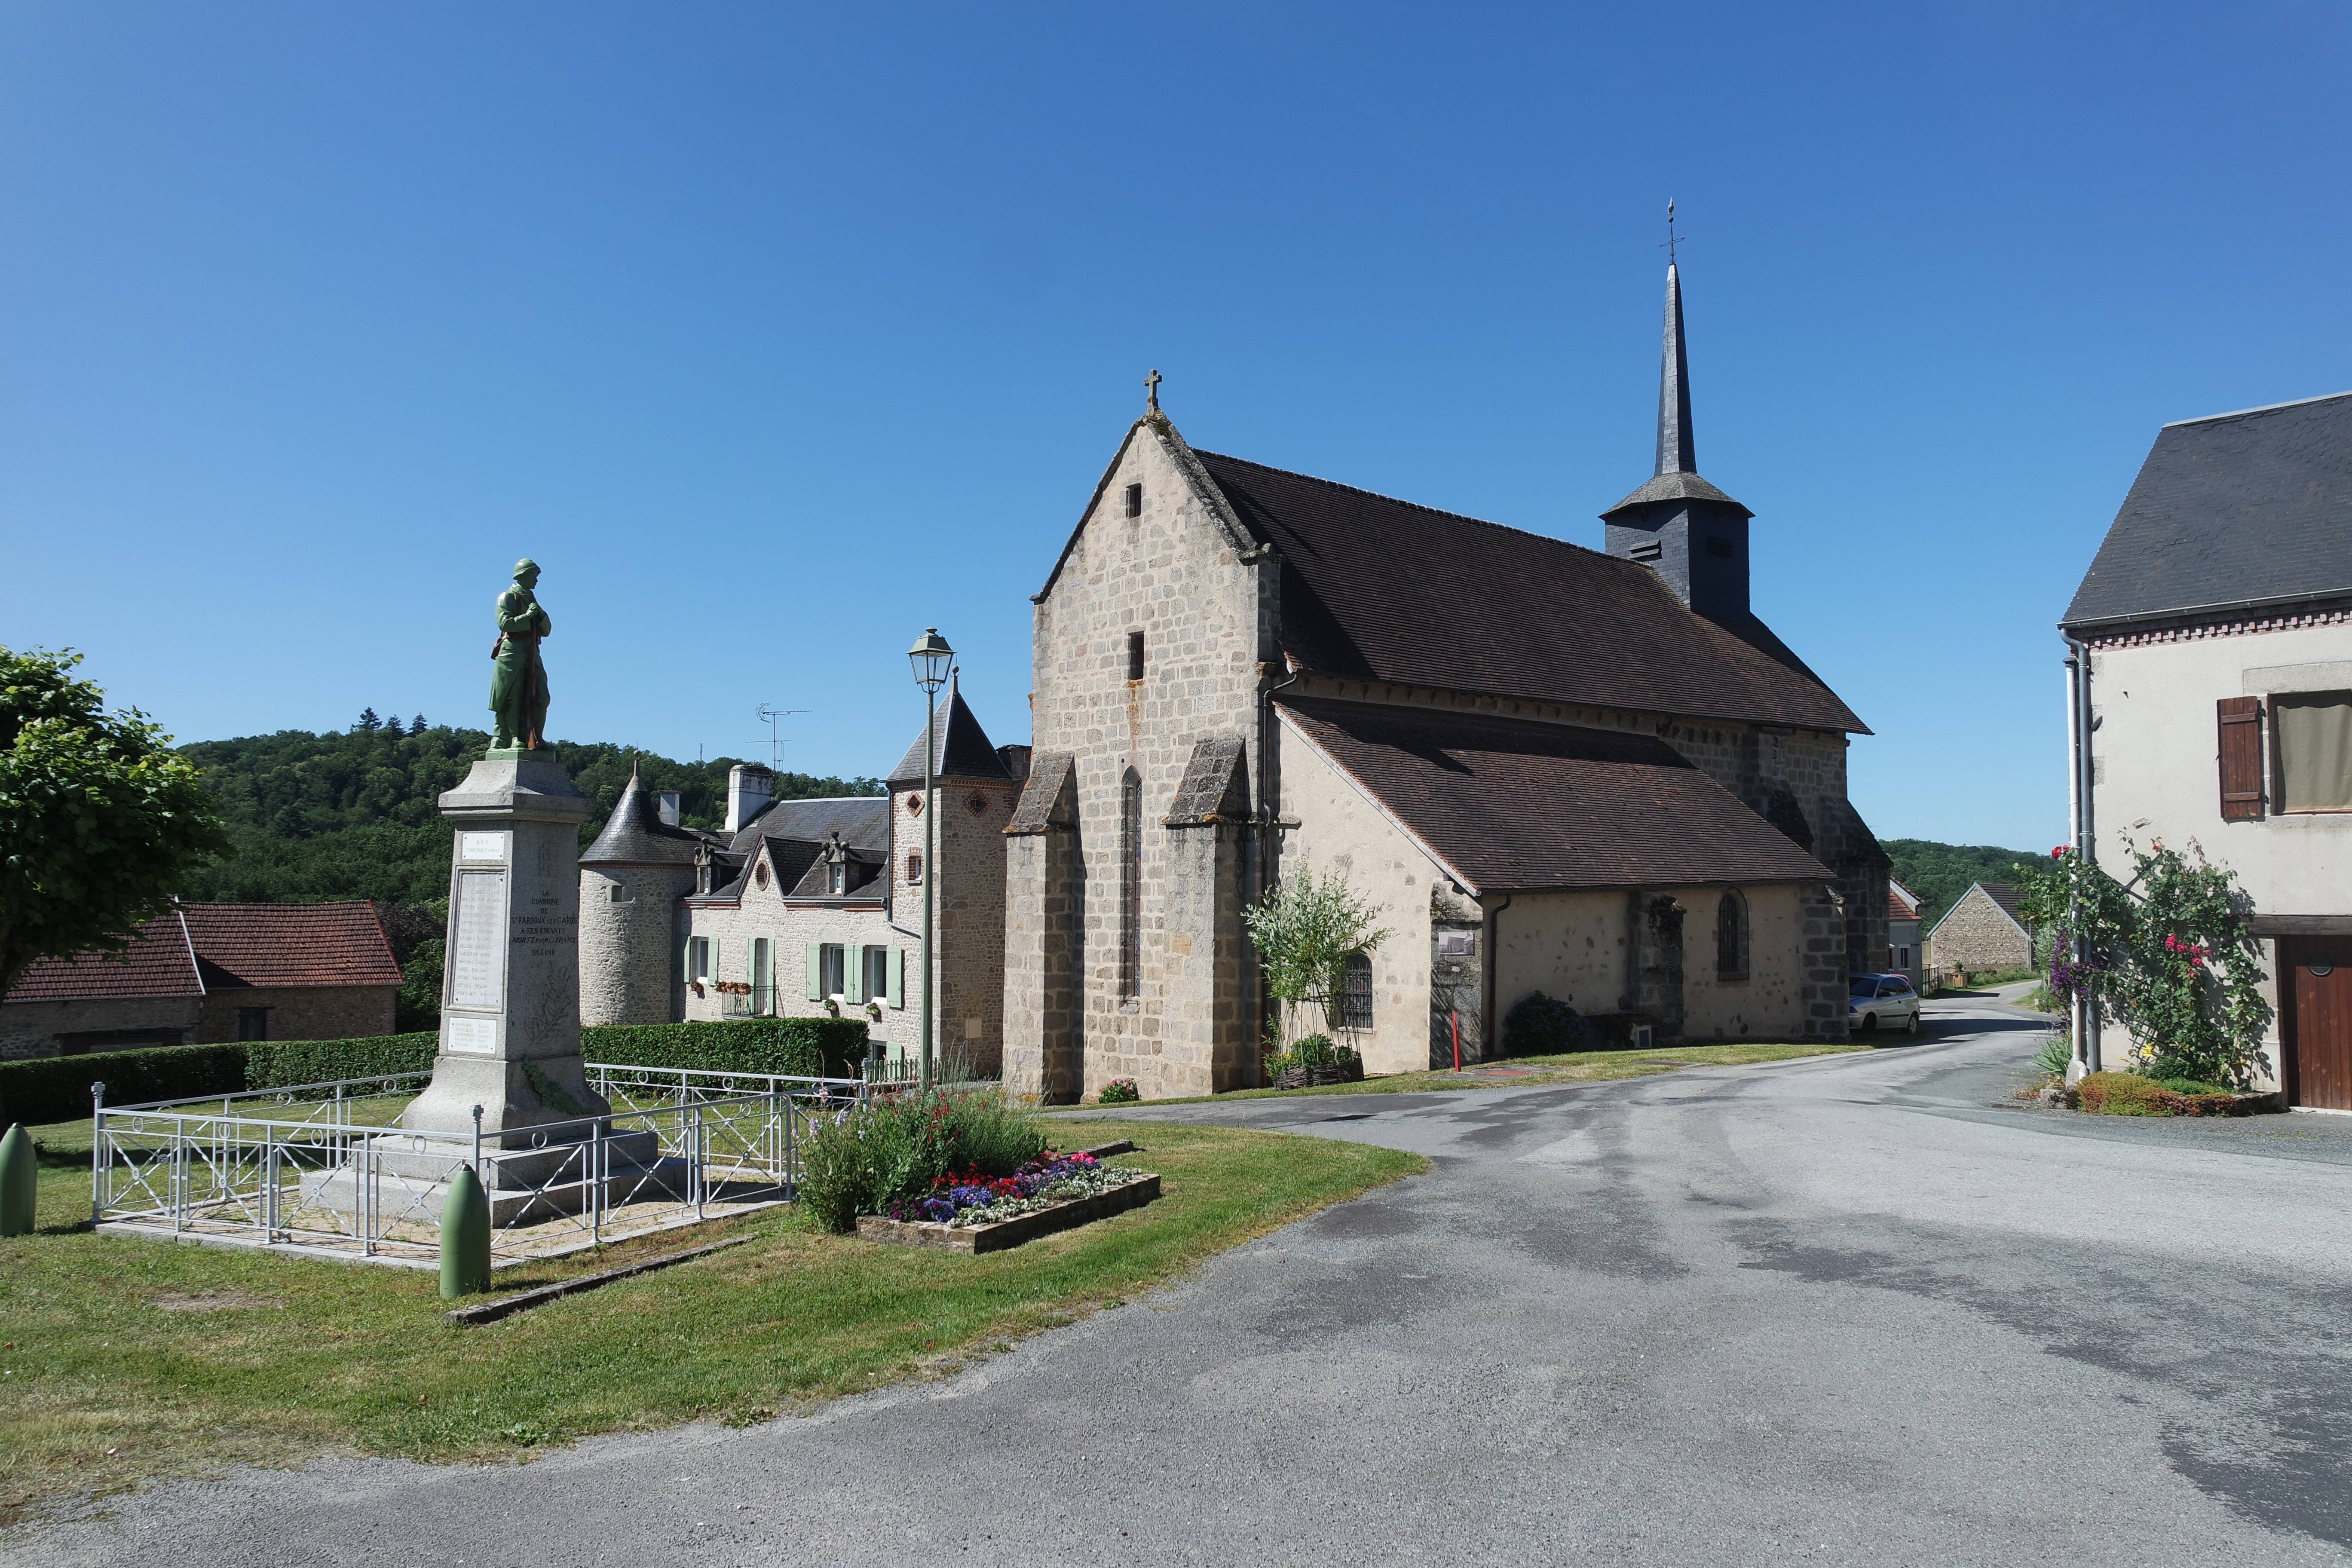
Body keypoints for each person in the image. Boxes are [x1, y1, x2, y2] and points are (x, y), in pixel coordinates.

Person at [488, 558, 552, 751]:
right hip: (512, 652)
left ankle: (537, 738)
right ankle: (514, 738)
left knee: (542, 697)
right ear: (522, 576)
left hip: (532, 651)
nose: (536, 581)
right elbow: (506, 624)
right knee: (512, 696)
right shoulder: (507, 597)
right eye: (534, 576)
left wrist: (539, 615)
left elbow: (547, 630)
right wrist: (528, 617)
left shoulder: (532, 600)